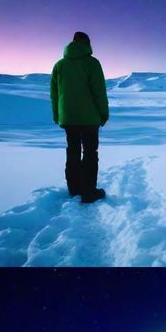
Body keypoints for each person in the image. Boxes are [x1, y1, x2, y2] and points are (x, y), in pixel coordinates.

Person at [50, 30, 110, 203]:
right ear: (87, 44)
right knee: (90, 152)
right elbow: (99, 91)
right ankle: (88, 192)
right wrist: (103, 113)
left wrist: (58, 116)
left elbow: (54, 94)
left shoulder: (59, 65)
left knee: (72, 152)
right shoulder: (92, 63)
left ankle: (74, 189)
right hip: (90, 119)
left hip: (68, 118)